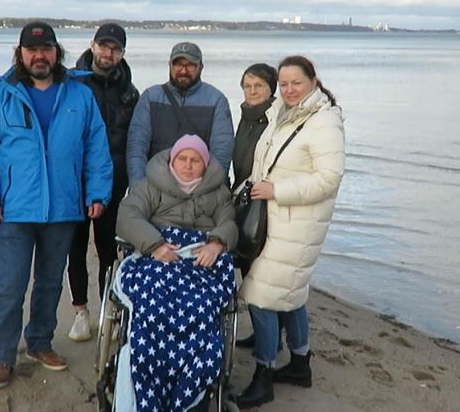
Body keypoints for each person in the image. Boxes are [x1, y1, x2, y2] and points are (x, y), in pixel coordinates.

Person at [0, 21, 113, 389]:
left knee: (49, 283)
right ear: (20, 54)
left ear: (56, 52)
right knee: (11, 286)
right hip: (14, 209)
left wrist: (97, 193)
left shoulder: (79, 95)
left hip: (63, 207)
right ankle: (1, 356)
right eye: (32, 50)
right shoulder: (0, 96)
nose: (39, 56)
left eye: (46, 49)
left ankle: (40, 343)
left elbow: (97, 148)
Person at [235, 56, 345, 408]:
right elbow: (266, 161)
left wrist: (276, 190)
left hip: (297, 222)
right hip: (277, 219)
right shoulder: (284, 113)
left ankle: (264, 375)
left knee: (261, 295)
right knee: (291, 293)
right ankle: (300, 364)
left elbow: (329, 179)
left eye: (296, 82)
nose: (289, 89)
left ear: (313, 81)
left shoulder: (323, 121)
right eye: (283, 84)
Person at [114, 134, 238, 412]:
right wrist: (154, 244)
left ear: (205, 164)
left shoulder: (218, 192)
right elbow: (127, 216)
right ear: (172, 160)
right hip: (159, 256)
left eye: (195, 160)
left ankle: (189, 392)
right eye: (182, 158)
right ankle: (146, 383)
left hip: (199, 260)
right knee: (150, 305)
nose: (188, 165)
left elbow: (229, 223)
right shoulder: (150, 185)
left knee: (204, 309)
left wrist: (217, 243)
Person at [66, 23, 139, 342]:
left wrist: (136, 180)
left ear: (122, 53)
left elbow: (136, 140)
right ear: (92, 46)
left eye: (116, 49)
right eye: (104, 46)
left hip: (113, 183)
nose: (109, 53)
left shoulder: (129, 92)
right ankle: (81, 312)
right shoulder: (70, 83)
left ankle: (108, 310)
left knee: (108, 250)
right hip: (74, 182)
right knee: (75, 248)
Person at [126, 42, 234, 184]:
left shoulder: (216, 100)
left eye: (190, 65)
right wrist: (138, 186)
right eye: (178, 64)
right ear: (169, 65)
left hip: (199, 188)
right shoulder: (150, 97)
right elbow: (137, 146)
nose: (183, 70)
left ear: (201, 67)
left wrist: (208, 188)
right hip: (156, 186)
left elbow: (221, 152)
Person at [229, 63, 278, 348]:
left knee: (261, 275)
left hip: (264, 202)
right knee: (248, 268)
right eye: (247, 86)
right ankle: (263, 334)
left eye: (259, 85)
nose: (252, 91)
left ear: (271, 88)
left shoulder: (275, 119)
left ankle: (269, 341)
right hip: (243, 197)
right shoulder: (246, 116)